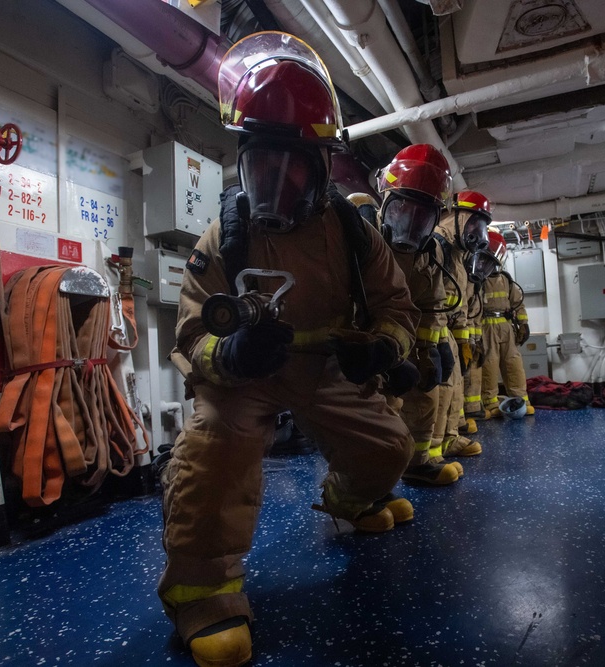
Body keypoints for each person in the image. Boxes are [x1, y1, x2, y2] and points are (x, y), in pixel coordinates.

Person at [159, 33, 419, 666]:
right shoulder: (226, 234)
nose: (273, 183)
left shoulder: (355, 233)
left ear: (321, 167)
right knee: (215, 446)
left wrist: (381, 350)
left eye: (291, 167)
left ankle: (349, 499)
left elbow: (397, 309)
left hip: (326, 368)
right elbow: (192, 335)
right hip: (249, 378)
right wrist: (233, 355)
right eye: (260, 165)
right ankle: (203, 596)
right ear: (243, 159)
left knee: (391, 449)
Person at [376, 143, 462, 485]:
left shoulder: (432, 255)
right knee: (378, 408)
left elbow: (431, 306)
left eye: (422, 215)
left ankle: (417, 462)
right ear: (385, 202)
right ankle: (373, 482)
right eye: (402, 210)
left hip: (411, 340)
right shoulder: (364, 242)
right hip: (372, 344)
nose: (410, 222)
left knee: (425, 395)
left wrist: (430, 350)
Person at [433, 191, 492, 454]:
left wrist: (463, 340)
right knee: (438, 391)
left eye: (481, 228)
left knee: (453, 388)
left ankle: (448, 438)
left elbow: (460, 302)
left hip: (448, 331)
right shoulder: (436, 245)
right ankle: (429, 453)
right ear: (455, 217)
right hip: (432, 330)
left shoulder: (456, 254)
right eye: (473, 225)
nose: (477, 235)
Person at [479, 231, 534, 418]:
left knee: (513, 363)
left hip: (506, 327)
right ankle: (490, 404)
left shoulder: (507, 280)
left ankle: (522, 400)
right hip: (486, 327)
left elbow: (518, 303)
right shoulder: (477, 281)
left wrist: (523, 324)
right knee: (489, 365)